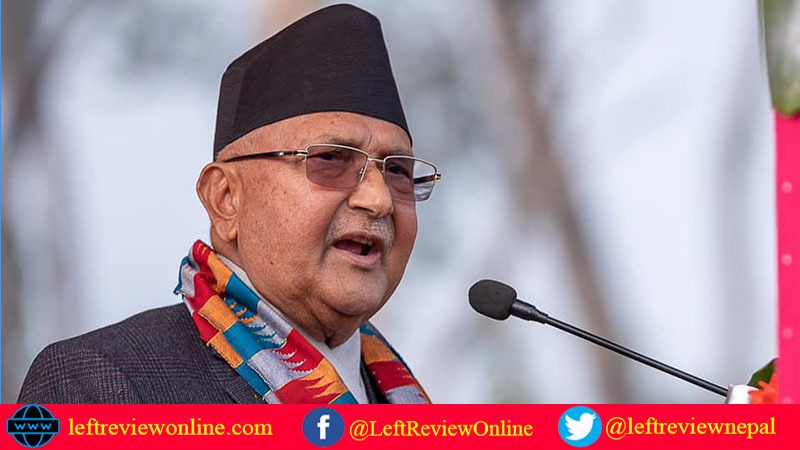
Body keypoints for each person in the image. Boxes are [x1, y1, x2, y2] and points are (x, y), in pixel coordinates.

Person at [18, 3, 440, 404]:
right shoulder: (101, 382)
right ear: (226, 199)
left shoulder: (404, 400)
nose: (379, 199)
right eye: (330, 159)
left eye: (397, 171)